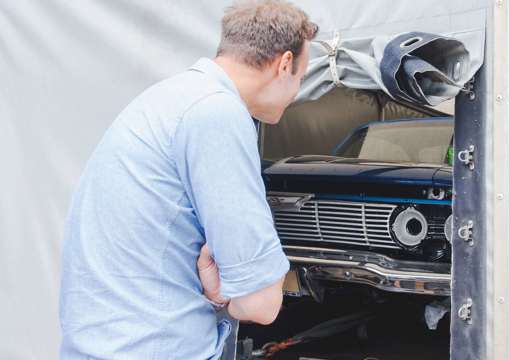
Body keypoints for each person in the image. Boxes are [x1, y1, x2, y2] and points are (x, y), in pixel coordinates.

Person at [58, 1, 318, 358]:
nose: (297, 92)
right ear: (284, 64)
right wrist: (229, 293)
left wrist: (220, 293)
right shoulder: (217, 114)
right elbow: (261, 304)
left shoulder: (171, 98)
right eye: (302, 77)